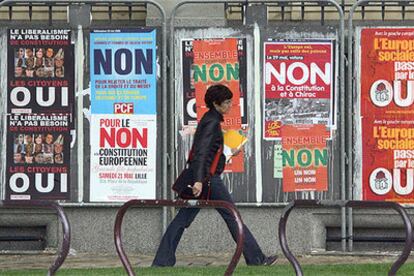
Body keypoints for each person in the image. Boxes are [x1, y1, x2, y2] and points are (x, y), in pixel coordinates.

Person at [152, 84, 277, 267]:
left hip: (203, 179)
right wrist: (198, 181)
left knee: (182, 219)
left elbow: (209, 153)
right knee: (232, 216)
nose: (230, 105)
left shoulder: (210, 119)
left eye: (230, 102)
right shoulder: (212, 122)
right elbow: (201, 154)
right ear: (215, 103)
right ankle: (256, 259)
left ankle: (162, 262)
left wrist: (227, 155)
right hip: (208, 181)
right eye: (227, 102)